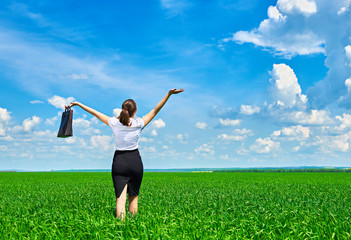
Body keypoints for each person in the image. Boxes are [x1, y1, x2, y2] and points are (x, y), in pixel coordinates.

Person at [67, 88, 184, 219]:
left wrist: (78, 104)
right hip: (135, 161)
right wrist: (168, 94)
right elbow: (156, 110)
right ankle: (133, 229)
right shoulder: (139, 123)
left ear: (122, 110)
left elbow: (95, 112)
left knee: (120, 199)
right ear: (135, 111)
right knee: (133, 197)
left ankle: (119, 229)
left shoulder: (114, 123)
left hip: (119, 162)